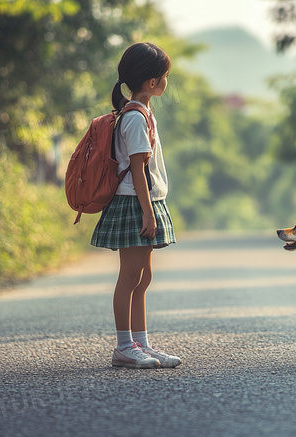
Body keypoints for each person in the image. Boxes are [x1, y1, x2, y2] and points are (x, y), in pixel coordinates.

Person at [91, 42, 180, 369]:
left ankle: (140, 342)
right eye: (164, 75)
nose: (166, 80)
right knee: (129, 277)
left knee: (142, 278)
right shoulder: (133, 118)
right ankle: (124, 346)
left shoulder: (142, 113)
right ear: (152, 83)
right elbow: (139, 170)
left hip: (144, 202)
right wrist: (147, 212)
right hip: (134, 203)